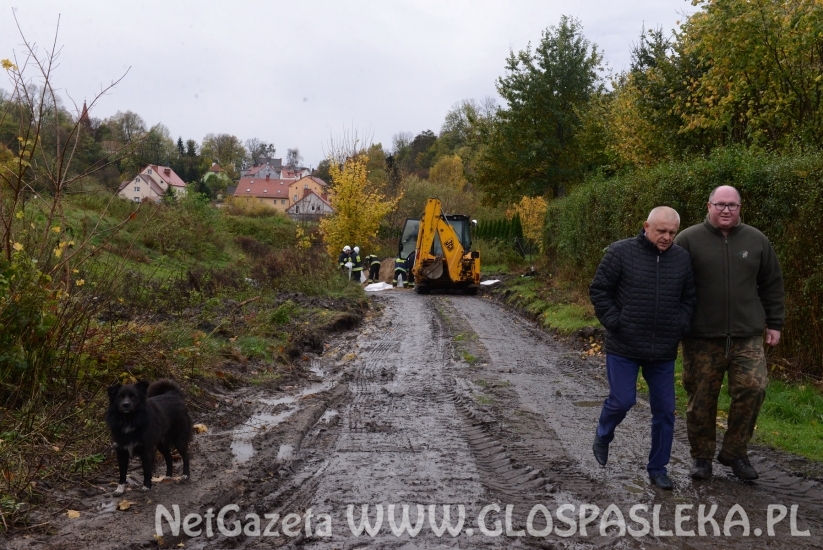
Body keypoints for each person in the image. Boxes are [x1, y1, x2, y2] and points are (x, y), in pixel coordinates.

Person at [674, 185, 784, 481]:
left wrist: (775, 323)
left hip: (746, 334)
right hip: (701, 337)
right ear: (708, 206)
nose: (726, 210)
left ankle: (735, 452)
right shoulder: (688, 240)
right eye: (720, 204)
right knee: (701, 399)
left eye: (732, 205)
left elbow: (772, 283)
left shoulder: (757, 240)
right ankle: (702, 457)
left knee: (753, 388)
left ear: (740, 208)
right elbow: (674, 284)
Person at [589, 206, 696, 490]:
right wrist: (615, 321)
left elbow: (689, 298)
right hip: (623, 345)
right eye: (661, 231)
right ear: (646, 226)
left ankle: (658, 468)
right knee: (623, 400)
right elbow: (600, 289)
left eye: (672, 232)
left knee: (665, 411)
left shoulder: (682, 259)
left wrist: (680, 324)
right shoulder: (620, 252)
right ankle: (603, 434)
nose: (667, 237)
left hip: (662, 350)